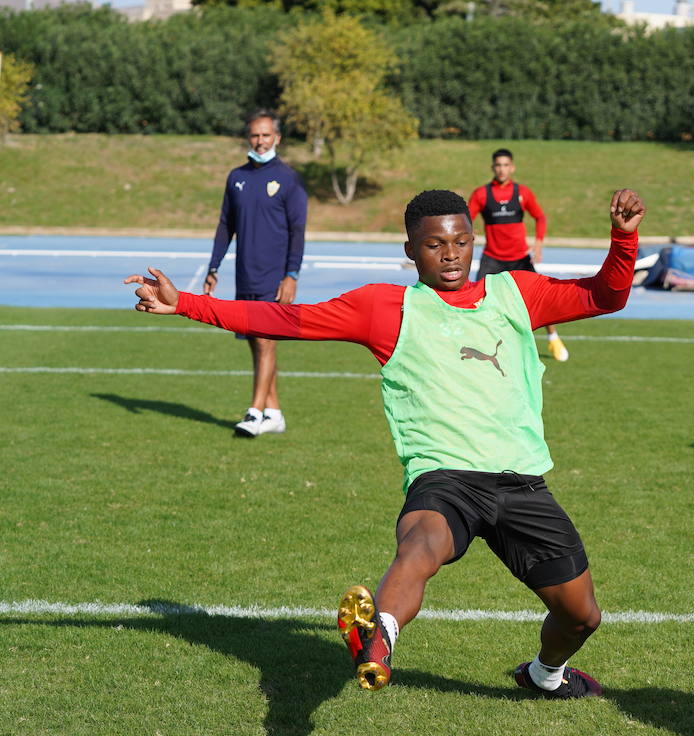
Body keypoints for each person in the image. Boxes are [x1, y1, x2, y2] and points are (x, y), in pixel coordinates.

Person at [127, 188, 647, 698]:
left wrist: (623, 239)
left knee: (581, 616)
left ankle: (543, 676)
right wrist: (188, 304)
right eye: (434, 244)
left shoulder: (517, 292)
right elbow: (286, 320)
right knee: (420, 544)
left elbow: (606, 295)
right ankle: (379, 636)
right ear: (410, 251)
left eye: (461, 242)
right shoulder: (384, 307)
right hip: (446, 478)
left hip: (521, 481)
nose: (450, 255)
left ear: (475, 242)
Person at [205, 110, 308, 438]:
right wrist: (213, 267)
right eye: (255, 135)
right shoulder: (236, 177)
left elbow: (298, 230)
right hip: (245, 274)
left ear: (277, 138)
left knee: (266, 341)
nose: (260, 141)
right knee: (254, 341)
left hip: (274, 276)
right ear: (248, 138)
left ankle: (253, 411)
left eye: (266, 135)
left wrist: (291, 274)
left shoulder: (288, 178)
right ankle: (274, 412)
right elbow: (226, 226)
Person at [465, 148, 569, 363]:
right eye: (498, 165)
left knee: (541, 298)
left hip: (520, 258)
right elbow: (466, 218)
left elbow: (540, 217)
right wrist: (469, 230)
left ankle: (554, 338)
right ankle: (477, 343)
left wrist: (538, 245)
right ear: (492, 167)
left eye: (505, 165)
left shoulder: (523, 193)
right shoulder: (481, 194)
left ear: (512, 167)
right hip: (492, 258)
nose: (502, 169)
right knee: (475, 300)